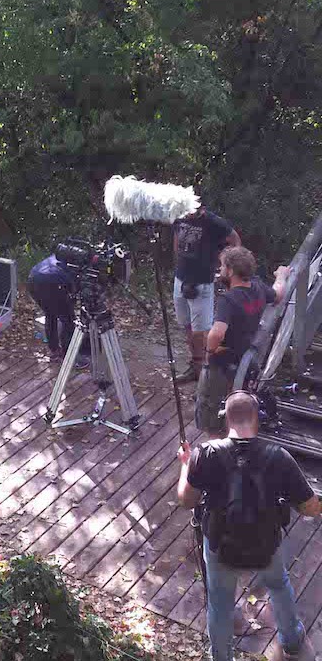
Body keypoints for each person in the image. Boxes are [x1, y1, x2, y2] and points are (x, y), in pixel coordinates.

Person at [177, 391, 320, 661]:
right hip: (266, 544)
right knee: (279, 586)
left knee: (219, 604)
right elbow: (310, 507)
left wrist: (186, 465)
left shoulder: (204, 454)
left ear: (225, 419)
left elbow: (186, 500)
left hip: (220, 545)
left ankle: (221, 657)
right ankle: (291, 641)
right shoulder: (279, 457)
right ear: (258, 419)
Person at [196, 246, 289, 435]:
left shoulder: (228, 300)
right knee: (239, 392)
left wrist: (208, 353)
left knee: (208, 404)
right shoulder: (257, 286)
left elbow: (217, 333)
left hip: (223, 359)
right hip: (245, 355)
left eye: (222, 267)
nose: (220, 270)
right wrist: (282, 276)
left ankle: (214, 440)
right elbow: (278, 295)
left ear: (230, 271)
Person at [173, 205, 241, 383]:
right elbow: (176, 239)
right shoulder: (178, 215)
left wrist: (226, 269)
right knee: (187, 326)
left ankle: (208, 376)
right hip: (180, 279)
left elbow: (235, 240)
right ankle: (195, 368)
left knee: (202, 332)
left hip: (202, 283)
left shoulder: (213, 222)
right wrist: (178, 264)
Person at [27, 253, 88, 368]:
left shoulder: (60, 256)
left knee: (50, 313)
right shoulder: (78, 269)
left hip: (33, 279)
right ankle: (69, 356)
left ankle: (54, 349)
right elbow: (75, 292)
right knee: (68, 320)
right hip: (51, 283)